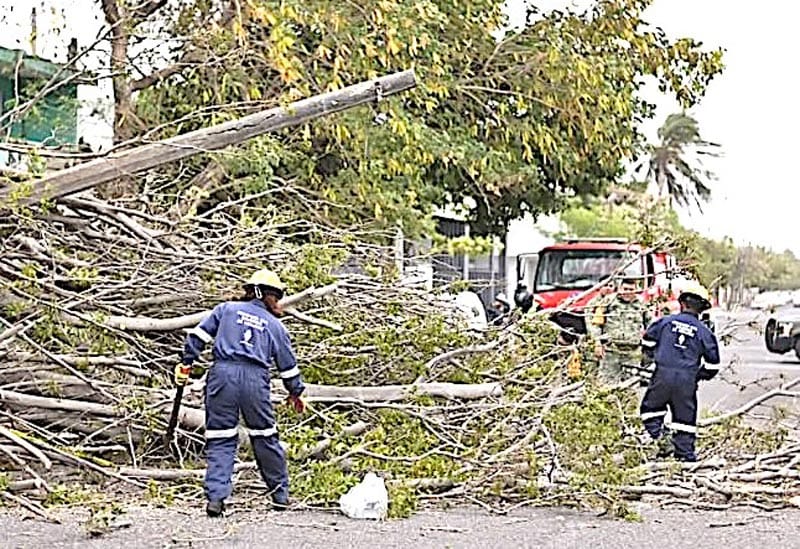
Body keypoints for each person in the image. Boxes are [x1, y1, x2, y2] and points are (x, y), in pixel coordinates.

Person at [176, 268, 306, 517]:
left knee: (220, 437)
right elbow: (288, 368)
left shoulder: (225, 310)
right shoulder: (275, 326)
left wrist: (186, 363)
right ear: (269, 295)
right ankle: (280, 496)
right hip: (255, 382)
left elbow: (197, 337)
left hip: (222, 377)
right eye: (277, 297)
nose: (278, 303)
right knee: (265, 436)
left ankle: (216, 499)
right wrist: (295, 392)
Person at [639, 283, 720, 462]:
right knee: (685, 423)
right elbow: (713, 366)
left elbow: (647, 343)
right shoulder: (705, 332)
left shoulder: (664, 322)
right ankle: (685, 460)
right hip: (686, 382)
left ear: (682, 303)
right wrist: (696, 375)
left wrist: (655, 358)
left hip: (661, 376)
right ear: (702, 309)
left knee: (650, 411)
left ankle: (662, 440)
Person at [586, 276, 650, 383]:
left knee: (631, 386)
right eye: (625, 289)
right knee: (606, 385)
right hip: (611, 351)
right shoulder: (608, 301)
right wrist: (597, 343)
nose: (627, 292)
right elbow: (596, 323)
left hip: (633, 353)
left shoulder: (642, 304)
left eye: (631, 289)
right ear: (620, 288)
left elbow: (651, 324)